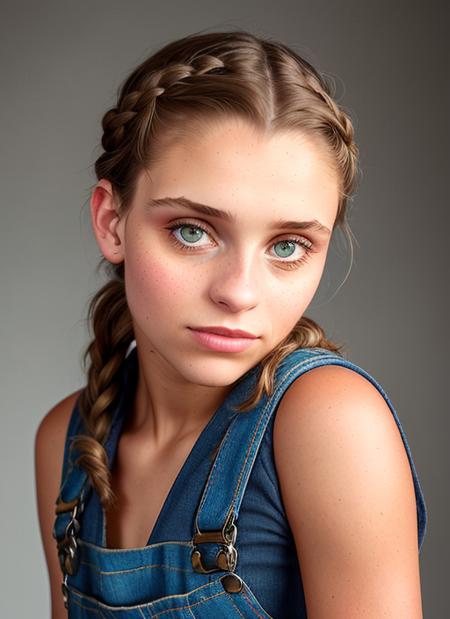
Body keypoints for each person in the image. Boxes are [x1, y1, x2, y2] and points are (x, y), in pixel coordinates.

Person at [34, 29, 428, 618]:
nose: (239, 292)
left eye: (288, 245)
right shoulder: (66, 443)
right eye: (193, 231)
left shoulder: (331, 423)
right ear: (113, 221)